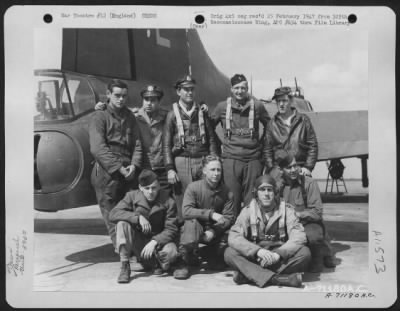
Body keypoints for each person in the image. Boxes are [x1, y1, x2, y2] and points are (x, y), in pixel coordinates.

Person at [224, 174, 311, 288]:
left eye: (269, 190)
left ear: (275, 192)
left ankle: (250, 274)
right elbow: (234, 237)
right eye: (262, 190)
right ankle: (279, 279)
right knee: (229, 253)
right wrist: (257, 251)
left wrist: (278, 254)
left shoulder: (287, 210)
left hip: (278, 256)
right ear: (256, 193)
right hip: (256, 256)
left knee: (305, 253)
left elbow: (298, 236)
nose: (266, 194)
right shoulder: (247, 211)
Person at [89, 79, 142, 247]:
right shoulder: (99, 116)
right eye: (117, 95)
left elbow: (138, 144)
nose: (121, 99)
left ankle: (134, 250)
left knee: (130, 212)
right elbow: (98, 148)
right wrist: (119, 168)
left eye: (124, 96)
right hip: (106, 173)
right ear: (108, 95)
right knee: (112, 215)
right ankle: (123, 254)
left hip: (128, 171)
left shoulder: (130, 116)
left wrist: (134, 165)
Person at [211, 74, 270, 216]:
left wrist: (261, 145)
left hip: (253, 159)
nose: (240, 91)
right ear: (231, 89)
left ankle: (251, 229)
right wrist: (219, 145)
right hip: (231, 159)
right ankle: (233, 230)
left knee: (252, 199)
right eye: (236, 88)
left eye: (243, 88)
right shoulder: (222, 107)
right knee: (232, 198)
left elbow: (270, 126)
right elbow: (208, 128)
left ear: (247, 89)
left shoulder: (257, 106)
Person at [163, 75, 219, 223]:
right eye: (186, 90)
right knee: (182, 198)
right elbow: (166, 144)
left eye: (192, 89)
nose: (189, 93)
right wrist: (169, 168)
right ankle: (185, 231)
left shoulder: (202, 113)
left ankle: (207, 230)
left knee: (205, 195)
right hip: (182, 160)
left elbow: (212, 139)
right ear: (178, 92)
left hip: (202, 160)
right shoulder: (171, 115)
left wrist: (214, 160)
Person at [109, 169, 179, 283]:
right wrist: (137, 218)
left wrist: (155, 242)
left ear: (159, 186)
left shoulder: (168, 200)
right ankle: (125, 266)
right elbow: (113, 214)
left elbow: (171, 229)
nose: (150, 192)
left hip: (159, 244)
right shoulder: (131, 196)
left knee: (172, 252)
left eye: (154, 188)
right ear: (140, 188)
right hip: (140, 244)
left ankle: (156, 263)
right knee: (122, 224)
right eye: (147, 188)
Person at [173, 155, 235, 280]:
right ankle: (183, 261)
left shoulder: (227, 192)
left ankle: (203, 254)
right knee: (191, 223)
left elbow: (228, 217)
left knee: (220, 260)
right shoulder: (193, 187)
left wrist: (214, 230)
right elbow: (186, 211)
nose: (216, 173)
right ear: (204, 171)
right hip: (196, 228)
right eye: (212, 170)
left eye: (218, 170)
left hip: (214, 232)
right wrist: (211, 214)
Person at [275, 149, 336, 272]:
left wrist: (297, 214)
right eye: (288, 167)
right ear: (281, 170)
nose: (293, 170)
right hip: (286, 226)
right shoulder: (277, 187)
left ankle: (322, 252)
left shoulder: (309, 183)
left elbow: (317, 213)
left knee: (313, 239)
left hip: (307, 224)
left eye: (295, 166)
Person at [264, 86, 318, 182]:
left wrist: (308, 167)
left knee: (303, 195)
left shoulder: (304, 120)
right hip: (279, 171)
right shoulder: (271, 124)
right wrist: (272, 169)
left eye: (284, 101)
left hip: (300, 169)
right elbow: (267, 150)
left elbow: (312, 146)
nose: (281, 104)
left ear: (291, 101)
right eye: (278, 101)